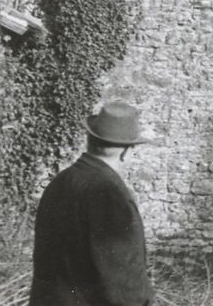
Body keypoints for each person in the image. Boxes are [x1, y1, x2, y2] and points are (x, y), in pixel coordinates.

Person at [29, 101, 156, 306]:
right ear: (126, 151)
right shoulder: (110, 195)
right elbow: (124, 284)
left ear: (90, 140)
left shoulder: (60, 182)